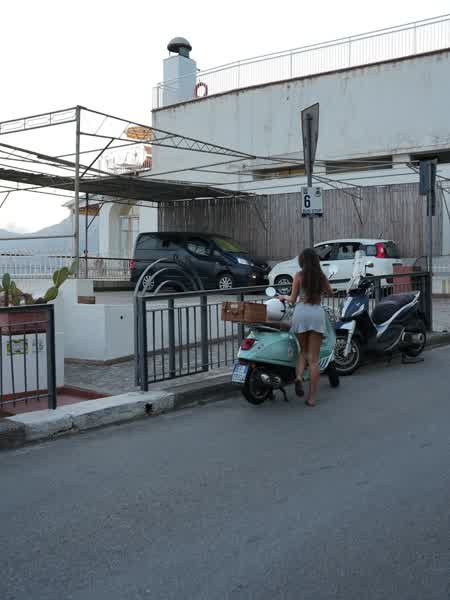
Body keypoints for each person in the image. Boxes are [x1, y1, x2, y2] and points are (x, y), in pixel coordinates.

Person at [279, 248, 333, 407]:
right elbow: (330, 292)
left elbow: (292, 299)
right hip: (316, 314)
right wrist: (325, 291)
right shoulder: (321, 276)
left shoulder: (298, 275)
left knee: (303, 351)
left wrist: (283, 297)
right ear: (316, 260)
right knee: (314, 359)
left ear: (302, 261)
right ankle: (311, 398)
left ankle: (299, 377)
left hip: (301, 313)